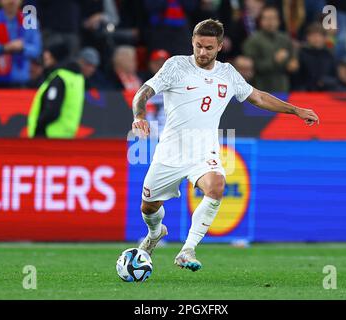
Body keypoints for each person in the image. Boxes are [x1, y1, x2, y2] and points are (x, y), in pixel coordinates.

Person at [131, 19, 319, 271]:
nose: (202, 52)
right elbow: (143, 91)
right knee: (149, 207)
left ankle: (188, 250)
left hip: (203, 151)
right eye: (198, 46)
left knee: (216, 185)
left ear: (219, 46)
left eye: (209, 47)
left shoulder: (227, 73)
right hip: (170, 152)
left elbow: (259, 97)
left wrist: (295, 110)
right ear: (192, 42)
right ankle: (155, 233)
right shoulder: (176, 65)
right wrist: (139, 116)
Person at [27, 47, 99, 138]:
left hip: (49, 134)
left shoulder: (61, 77)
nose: (45, 58)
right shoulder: (78, 78)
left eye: (49, 55)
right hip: (66, 135)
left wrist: (38, 126)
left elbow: (52, 110)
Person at [0, 0, 42, 88]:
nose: (11, 1)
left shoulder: (29, 20)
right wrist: (3, 48)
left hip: (23, 79)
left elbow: (36, 50)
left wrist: (22, 48)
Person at [242, 6, 298, 93]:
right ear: (261, 21)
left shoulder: (285, 39)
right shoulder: (253, 40)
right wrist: (274, 61)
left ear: (278, 21)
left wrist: (293, 64)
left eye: (273, 18)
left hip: (282, 87)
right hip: (260, 87)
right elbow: (250, 67)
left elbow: (293, 60)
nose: (270, 22)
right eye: (267, 18)